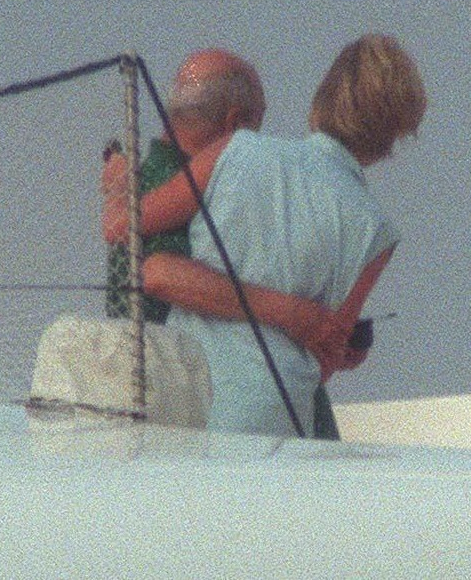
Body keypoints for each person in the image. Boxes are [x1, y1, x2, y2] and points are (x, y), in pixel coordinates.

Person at [104, 33, 427, 437]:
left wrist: (119, 180)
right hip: (276, 414)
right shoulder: (377, 231)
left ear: (323, 99)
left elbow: (126, 227)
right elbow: (324, 356)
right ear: (392, 135)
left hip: (186, 396)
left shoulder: (234, 149)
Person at [104, 48, 265, 324]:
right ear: (235, 122)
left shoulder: (140, 179)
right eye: (258, 121)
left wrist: (119, 189)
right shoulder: (214, 186)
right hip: (184, 356)